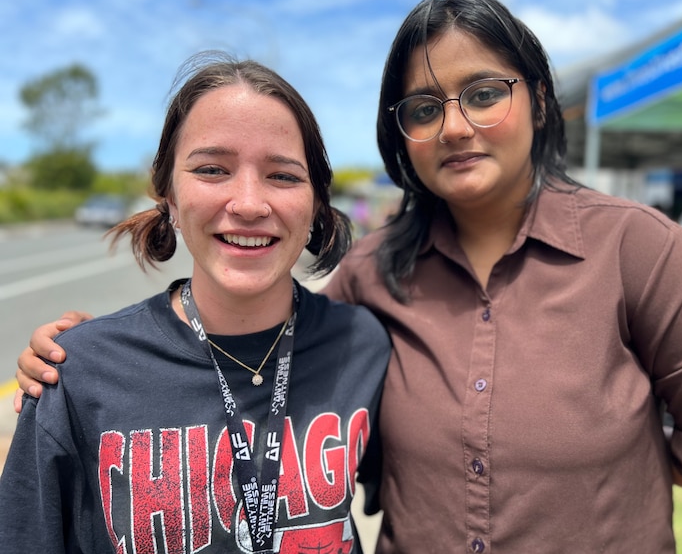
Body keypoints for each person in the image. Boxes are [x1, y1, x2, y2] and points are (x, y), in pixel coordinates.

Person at [17, 0, 682, 553]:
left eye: (486, 93)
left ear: (541, 102)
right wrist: (72, 365)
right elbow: (277, 363)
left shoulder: (640, 250)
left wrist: (608, 463)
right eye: (422, 108)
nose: (454, 125)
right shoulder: (369, 279)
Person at [1, 53, 390, 553]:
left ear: (316, 201)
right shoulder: (76, 375)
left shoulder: (362, 345)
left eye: (284, 176)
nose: (249, 204)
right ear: (168, 195)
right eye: (212, 169)